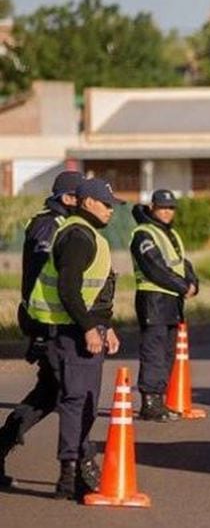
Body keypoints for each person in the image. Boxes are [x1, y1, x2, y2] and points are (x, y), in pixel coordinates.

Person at [23, 177, 123, 500]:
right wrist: (89, 328)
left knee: (82, 401)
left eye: (112, 205)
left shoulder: (89, 235)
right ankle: (71, 475)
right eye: (105, 204)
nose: (110, 210)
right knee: (76, 401)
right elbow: (68, 288)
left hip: (76, 330)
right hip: (67, 333)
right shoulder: (77, 235)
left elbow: (97, 293)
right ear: (86, 202)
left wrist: (105, 326)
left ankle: (77, 468)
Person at [0, 171, 86, 489]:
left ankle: (2, 445)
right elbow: (41, 279)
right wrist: (39, 329)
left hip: (53, 321)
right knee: (72, 393)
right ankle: (80, 469)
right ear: (67, 199)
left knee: (49, 394)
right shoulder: (49, 226)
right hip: (48, 323)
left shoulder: (63, 224)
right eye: (82, 198)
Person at [130, 189, 198, 422]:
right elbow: (154, 267)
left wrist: (193, 282)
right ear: (152, 207)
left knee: (167, 352)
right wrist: (183, 286)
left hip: (171, 301)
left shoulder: (170, 234)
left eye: (171, 208)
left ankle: (160, 401)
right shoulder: (143, 234)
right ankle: (150, 402)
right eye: (163, 207)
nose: (167, 212)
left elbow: (182, 264)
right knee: (154, 352)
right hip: (153, 300)